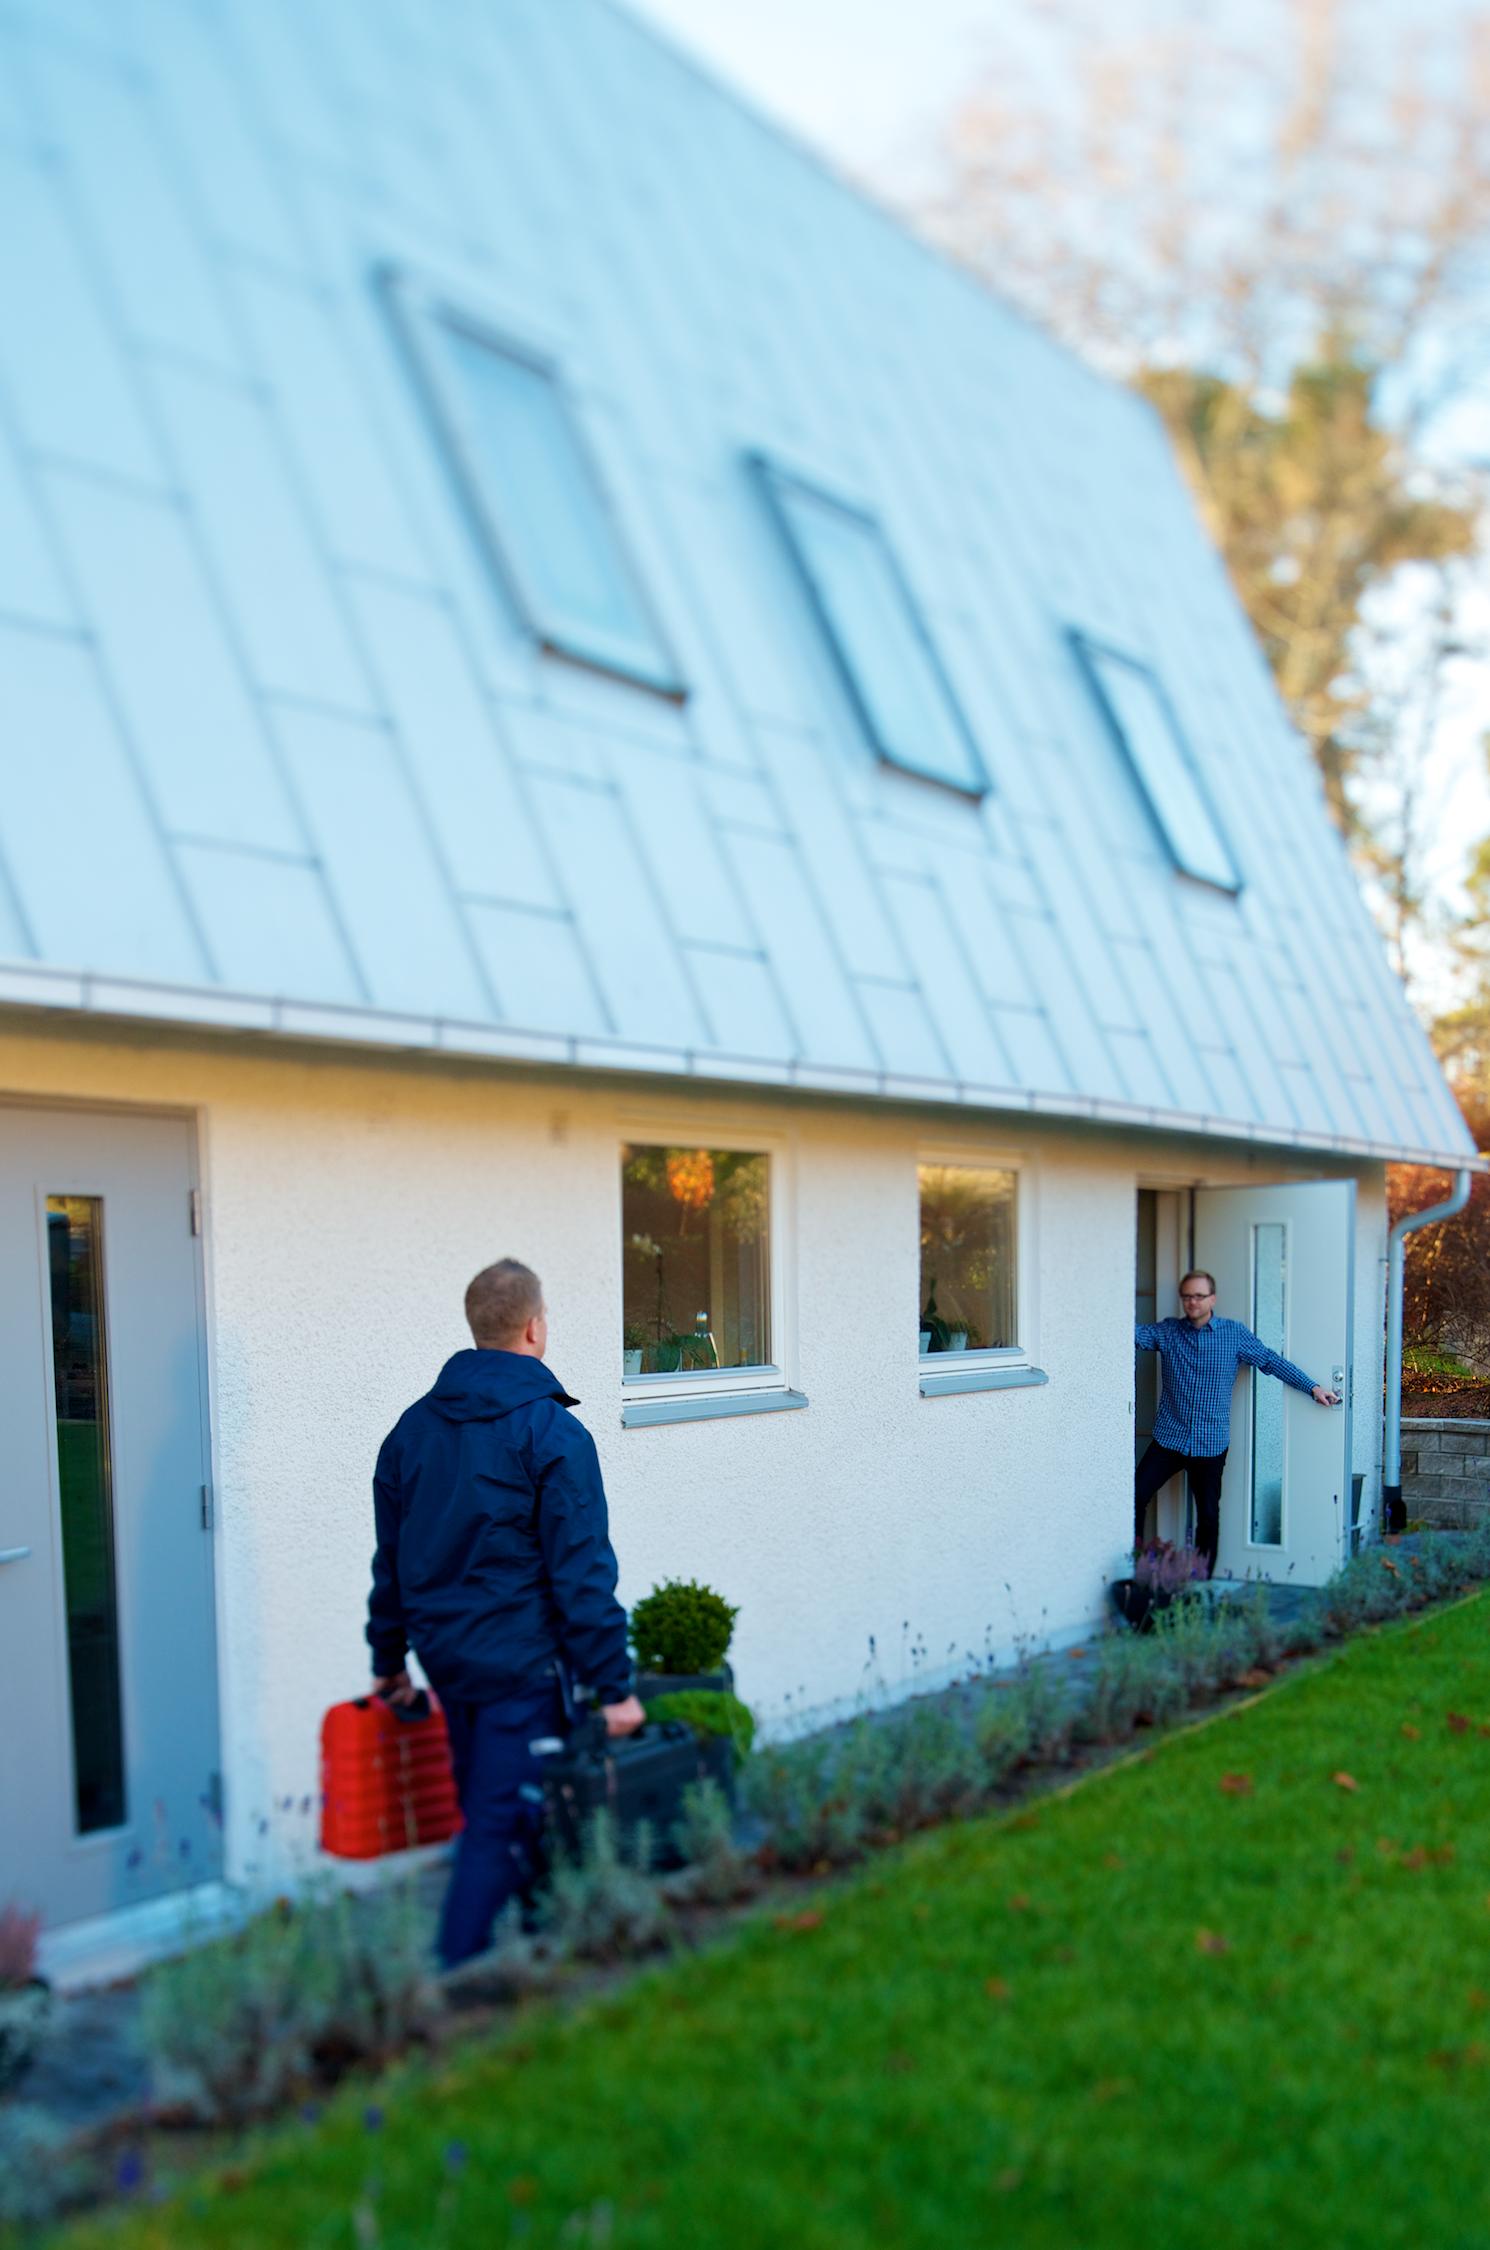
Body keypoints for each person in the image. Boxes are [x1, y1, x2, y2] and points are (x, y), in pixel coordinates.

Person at [367, 1259, 644, 1968]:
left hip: (448, 1662)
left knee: (510, 1810)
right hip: (519, 1670)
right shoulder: (552, 1435)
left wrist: (390, 1662)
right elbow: (582, 1576)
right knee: (496, 1822)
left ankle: (536, 1956)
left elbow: (391, 1562)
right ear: (534, 1327)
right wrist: (615, 1687)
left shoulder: (411, 1431)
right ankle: (447, 1991)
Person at [1134, 1268, 1339, 1574]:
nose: (1192, 1302)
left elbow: (1271, 1361)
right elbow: (1129, 1335)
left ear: (1212, 1298)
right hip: (1169, 1437)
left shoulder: (1233, 1334)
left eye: (1199, 1296)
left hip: (1210, 1443)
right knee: (1133, 1498)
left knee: (1207, 1515)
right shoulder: (1168, 1332)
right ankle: (1135, 1565)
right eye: (1187, 1296)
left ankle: (1200, 1581)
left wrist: (1312, 1387)